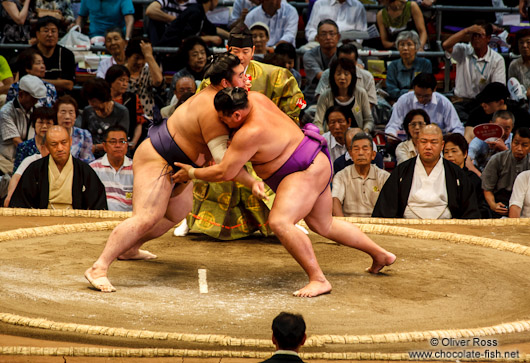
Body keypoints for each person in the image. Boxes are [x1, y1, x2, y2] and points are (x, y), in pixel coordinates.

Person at [174, 88, 397, 298]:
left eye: (224, 118)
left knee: (280, 222)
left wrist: (192, 173)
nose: (221, 123)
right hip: (316, 159)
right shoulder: (256, 98)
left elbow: (224, 171)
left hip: (303, 170)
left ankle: (319, 279)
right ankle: (381, 255)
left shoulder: (249, 133)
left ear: (236, 114)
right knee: (324, 224)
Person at [84, 53, 257, 293]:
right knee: (147, 216)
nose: (245, 78)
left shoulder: (217, 98)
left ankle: (129, 248)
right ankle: (99, 267)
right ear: (226, 82)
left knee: (176, 212)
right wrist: (253, 181)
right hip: (159, 157)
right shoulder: (212, 108)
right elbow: (225, 164)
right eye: (240, 75)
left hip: (181, 164)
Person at [199, 24, 304, 123]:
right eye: (235, 51)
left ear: (253, 51)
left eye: (245, 52)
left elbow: (298, 101)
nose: (240, 57)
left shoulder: (276, 75)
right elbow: (201, 108)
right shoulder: (214, 78)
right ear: (227, 50)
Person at [372, 124, 480, 219]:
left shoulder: (456, 173)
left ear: (442, 145)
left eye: (433, 142)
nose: (428, 147)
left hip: (446, 229)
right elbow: (385, 209)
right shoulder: (402, 171)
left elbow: (470, 212)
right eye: (424, 142)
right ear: (418, 144)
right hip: (408, 228)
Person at [9, 125, 107, 210]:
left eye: (64, 142)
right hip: (42, 224)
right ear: (47, 146)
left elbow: (98, 205)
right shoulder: (35, 169)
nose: (60, 148)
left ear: (70, 142)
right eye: (54, 144)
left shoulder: (84, 170)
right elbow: (20, 203)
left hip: (75, 225)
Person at [442, 23, 506, 125]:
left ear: (488, 38)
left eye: (479, 35)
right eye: (473, 35)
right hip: (460, 102)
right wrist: (466, 31)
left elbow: (497, 89)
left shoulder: (497, 59)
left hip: (482, 105)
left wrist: (482, 103)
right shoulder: (463, 50)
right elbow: (446, 45)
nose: (476, 39)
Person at [385, 73, 463, 138]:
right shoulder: (404, 100)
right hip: (408, 143)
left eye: (426, 96)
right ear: (413, 89)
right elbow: (393, 126)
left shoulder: (444, 103)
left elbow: (457, 129)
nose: (421, 99)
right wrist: (392, 136)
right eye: (418, 95)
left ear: (434, 89)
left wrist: (449, 137)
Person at [332, 132, 390, 217]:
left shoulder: (384, 177)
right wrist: (342, 224)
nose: (360, 153)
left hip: (376, 224)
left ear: (373, 155)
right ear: (351, 154)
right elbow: (335, 200)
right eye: (356, 149)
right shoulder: (342, 176)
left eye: (365, 149)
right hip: (350, 224)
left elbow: (389, 206)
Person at [0, 75, 46, 175]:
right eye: (33, 98)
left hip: (31, 153)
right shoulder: (6, 112)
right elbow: (17, 141)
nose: (36, 101)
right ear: (21, 94)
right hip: (7, 158)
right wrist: (32, 158)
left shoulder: (36, 107)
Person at [314, 57, 374, 134]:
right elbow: (317, 122)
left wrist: (364, 132)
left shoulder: (361, 93)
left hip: (356, 138)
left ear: (352, 76)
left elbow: (368, 120)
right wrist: (323, 137)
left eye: (346, 74)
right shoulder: (325, 95)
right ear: (333, 76)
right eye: (338, 74)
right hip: (332, 137)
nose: (342, 77)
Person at [481, 127, 530, 218]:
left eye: (524, 145)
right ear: (511, 142)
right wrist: (493, 205)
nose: (519, 148)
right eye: (516, 143)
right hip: (499, 201)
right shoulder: (497, 159)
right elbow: (487, 188)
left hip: (523, 204)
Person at [443, 132, 491, 219]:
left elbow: (481, 208)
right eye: (446, 152)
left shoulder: (473, 179)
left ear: (465, 153)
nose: (449, 155)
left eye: (454, 151)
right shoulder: (441, 177)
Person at [315, 43, 377, 107]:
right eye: (343, 61)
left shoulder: (367, 76)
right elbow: (320, 97)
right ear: (337, 59)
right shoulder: (327, 74)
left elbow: (371, 102)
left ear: (356, 61)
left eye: (350, 62)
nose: (346, 65)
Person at [81, 78, 129, 158]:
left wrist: (96, 147)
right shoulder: (87, 111)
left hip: (114, 154)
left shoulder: (122, 111)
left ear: (103, 98)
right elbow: (83, 135)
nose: (91, 104)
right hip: (91, 155)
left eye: (93, 101)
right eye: (89, 101)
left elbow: (121, 139)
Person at [465, 82, 530, 142]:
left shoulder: (521, 115)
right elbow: (468, 136)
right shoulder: (477, 113)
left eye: (487, 103)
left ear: (501, 102)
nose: (483, 105)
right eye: (482, 102)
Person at [90, 126, 133, 212]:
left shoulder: (136, 168)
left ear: (127, 145)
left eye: (122, 141)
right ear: (104, 146)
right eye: (113, 142)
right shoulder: (93, 168)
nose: (118, 145)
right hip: (102, 219)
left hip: (129, 219)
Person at [105, 65, 145, 153]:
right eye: (121, 80)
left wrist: (133, 142)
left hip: (126, 142)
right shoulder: (103, 100)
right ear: (111, 81)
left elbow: (139, 124)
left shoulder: (133, 98)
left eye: (127, 81)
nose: (125, 84)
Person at [32, 16, 76, 93]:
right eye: (46, 31)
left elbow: (69, 85)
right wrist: (58, 82)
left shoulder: (67, 55)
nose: (50, 34)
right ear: (37, 34)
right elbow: (25, 82)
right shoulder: (29, 54)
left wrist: (39, 81)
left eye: (53, 31)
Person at [156, 0, 227, 47]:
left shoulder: (200, 11)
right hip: (170, 51)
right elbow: (186, 39)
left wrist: (232, 37)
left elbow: (212, 29)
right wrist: (209, 38)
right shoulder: (196, 12)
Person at [386, 30, 432, 101]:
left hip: (420, 100)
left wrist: (413, 93)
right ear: (398, 48)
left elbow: (426, 87)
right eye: (402, 45)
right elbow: (391, 91)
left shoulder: (425, 64)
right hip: (398, 101)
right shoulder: (393, 66)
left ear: (416, 47)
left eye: (409, 44)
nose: (405, 48)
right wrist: (408, 93)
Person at [124, 37, 164, 119]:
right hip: (126, 117)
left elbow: (158, 81)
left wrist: (149, 55)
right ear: (128, 56)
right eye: (137, 58)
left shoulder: (148, 71)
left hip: (147, 117)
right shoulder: (120, 72)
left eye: (143, 58)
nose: (140, 62)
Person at [303, 19, 340, 105]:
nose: (328, 37)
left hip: (339, 96)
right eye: (323, 34)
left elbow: (359, 67)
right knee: (297, 106)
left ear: (338, 37)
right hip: (311, 97)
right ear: (317, 38)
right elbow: (323, 76)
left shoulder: (344, 53)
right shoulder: (309, 55)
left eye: (332, 34)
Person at [4, 141, 49, 208]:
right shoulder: (31, 160)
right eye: (52, 145)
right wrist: (10, 195)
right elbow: (16, 177)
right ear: (42, 148)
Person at [468, 109, 514, 173]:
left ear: (512, 128)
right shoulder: (480, 139)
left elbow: (518, 165)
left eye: (506, 129)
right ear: (491, 124)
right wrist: (480, 177)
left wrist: (504, 150)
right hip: (479, 175)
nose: (502, 133)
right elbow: (467, 159)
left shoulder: (514, 141)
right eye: (499, 128)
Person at [54, 95, 95, 164]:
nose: (67, 117)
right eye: (63, 112)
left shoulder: (84, 135)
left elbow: (88, 161)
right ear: (56, 114)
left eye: (71, 112)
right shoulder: (49, 134)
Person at [13, 106, 55, 173]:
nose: (44, 126)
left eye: (48, 123)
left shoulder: (57, 147)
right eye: (40, 122)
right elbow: (17, 172)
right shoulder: (23, 147)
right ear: (33, 124)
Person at [508, 28, 530, 103]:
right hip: (521, 104)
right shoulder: (514, 65)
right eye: (521, 42)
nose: (524, 46)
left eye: (528, 42)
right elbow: (512, 89)